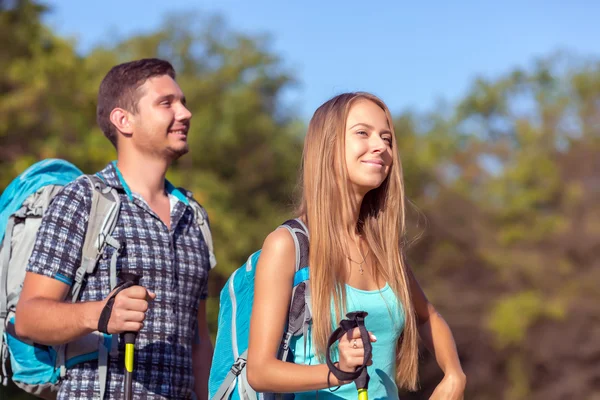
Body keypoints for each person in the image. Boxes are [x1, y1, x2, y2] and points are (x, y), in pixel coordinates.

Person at [14, 58, 214, 400]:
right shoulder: (82, 199)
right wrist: (101, 313)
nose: (184, 113)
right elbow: (29, 317)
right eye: (166, 103)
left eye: (183, 102)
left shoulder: (194, 216)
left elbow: (198, 340)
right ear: (123, 120)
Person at [246, 92, 466, 399]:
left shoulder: (386, 252)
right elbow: (259, 372)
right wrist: (336, 370)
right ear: (328, 146)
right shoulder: (287, 246)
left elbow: (427, 316)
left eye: (387, 138)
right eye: (363, 133)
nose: (381, 146)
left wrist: (454, 374)